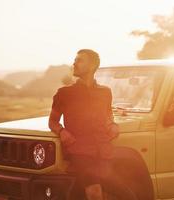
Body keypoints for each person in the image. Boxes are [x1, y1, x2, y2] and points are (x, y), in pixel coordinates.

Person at [48, 49, 137, 200]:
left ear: (92, 66)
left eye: (79, 60)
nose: (74, 63)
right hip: (80, 153)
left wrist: (113, 125)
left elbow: (108, 116)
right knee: (94, 192)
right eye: (75, 60)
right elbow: (52, 121)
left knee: (126, 195)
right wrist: (62, 132)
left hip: (103, 153)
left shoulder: (105, 92)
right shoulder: (64, 93)